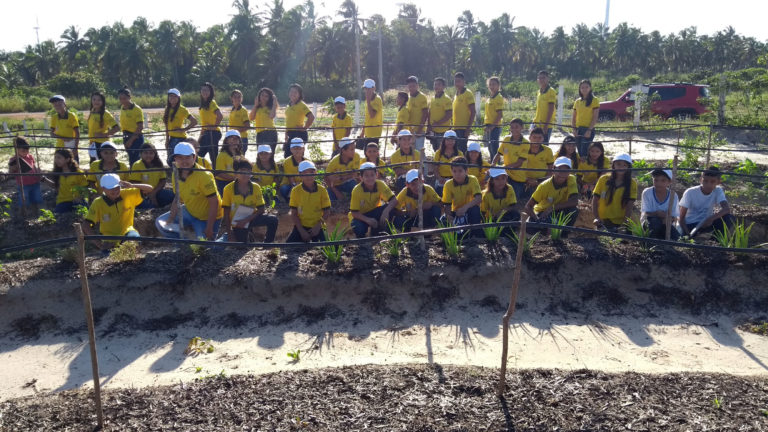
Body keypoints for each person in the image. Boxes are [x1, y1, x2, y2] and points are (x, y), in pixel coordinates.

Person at [155, 142, 223, 240]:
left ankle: (218, 238)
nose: (184, 161)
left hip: (206, 217)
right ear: (175, 159)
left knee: (204, 244)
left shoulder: (204, 175)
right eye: (180, 158)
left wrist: (209, 227)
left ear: (194, 158)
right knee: (160, 223)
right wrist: (170, 219)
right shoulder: (175, 174)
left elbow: (214, 202)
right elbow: (177, 198)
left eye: (187, 157)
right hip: (190, 210)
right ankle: (183, 242)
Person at [83, 174, 151, 255]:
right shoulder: (98, 203)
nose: (115, 190)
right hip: (109, 240)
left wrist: (132, 185)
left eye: (117, 187)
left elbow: (149, 188)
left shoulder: (127, 193)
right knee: (110, 258)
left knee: (134, 241)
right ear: (103, 188)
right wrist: (100, 245)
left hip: (127, 232)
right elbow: (86, 225)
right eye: (111, 188)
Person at [221, 157, 278, 243]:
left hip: (251, 218)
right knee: (242, 246)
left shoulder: (256, 187)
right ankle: (243, 236)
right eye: (243, 171)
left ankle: (267, 245)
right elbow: (226, 213)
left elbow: (261, 209)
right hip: (238, 222)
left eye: (248, 171)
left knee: (273, 220)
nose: (246, 174)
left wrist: (246, 220)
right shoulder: (228, 189)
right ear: (235, 173)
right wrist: (230, 234)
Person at [524, 157, 579, 235]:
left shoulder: (571, 179)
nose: (563, 173)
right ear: (553, 169)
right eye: (560, 170)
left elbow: (574, 201)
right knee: (530, 227)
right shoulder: (544, 186)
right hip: (543, 212)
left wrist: (552, 208)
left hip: (559, 209)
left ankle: (564, 234)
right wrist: (537, 219)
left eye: (566, 171)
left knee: (573, 211)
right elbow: (528, 206)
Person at [678, 166, 734, 238]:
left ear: (718, 182)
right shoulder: (690, 192)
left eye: (712, 182)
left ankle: (715, 241)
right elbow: (681, 218)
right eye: (705, 181)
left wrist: (710, 219)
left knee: (728, 218)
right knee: (685, 237)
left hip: (706, 223)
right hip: (690, 224)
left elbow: (726, 209)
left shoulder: (718, 190)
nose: (708, 185)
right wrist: (687, 234)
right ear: (701, 180)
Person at [349, 162, 397, 238]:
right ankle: (363, 240)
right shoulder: (356, 190)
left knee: (390, 209)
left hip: (375, 211)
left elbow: (393, 200)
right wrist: (368, 220)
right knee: (358, 227)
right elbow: (354, 212)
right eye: (366, 176)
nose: (370, 178)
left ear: (376, 175)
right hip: (361, 216)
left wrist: (386, 211)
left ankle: (378, 232)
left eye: (372, 175)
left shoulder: (380, 184)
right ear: (361, 177)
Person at [287, 160, 331, 243]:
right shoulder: (295, 190)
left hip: (318, 226)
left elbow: (327, 212)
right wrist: (301, 231)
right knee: (288, 247)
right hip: (301, 226)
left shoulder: (322, 190)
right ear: (300, 175)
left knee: (328, 247)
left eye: (311, 172)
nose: (309, 176)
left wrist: (318, 227)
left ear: (315, 173)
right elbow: (294, 213)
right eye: (305, 173)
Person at [592, 153, 637, 231]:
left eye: (624, 165)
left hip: (621, 222)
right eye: (618, 164)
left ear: (628, 167)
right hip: (603, 220)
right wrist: (596, 217)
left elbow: (629, 205)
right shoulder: (603, 179)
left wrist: (625, 223)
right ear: (614, 165)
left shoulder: (632, 183)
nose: (621, 167)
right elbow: (595, 199)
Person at [492, 118, 530, 203]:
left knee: (513, 199)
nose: (514, 129)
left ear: (522, 128)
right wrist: (493, 164)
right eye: (512, 127)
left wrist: (503, 168)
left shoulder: (526, 143)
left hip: (518, 177)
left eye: (516, 127)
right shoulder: (506, 139)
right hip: (506, 173)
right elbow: (498, 154)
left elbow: (519, 163)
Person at [130, 143, 175, 210]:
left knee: (172, 196)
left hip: (157, 191)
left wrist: (153, 193)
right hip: (142, 194)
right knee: (148, 207)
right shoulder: (137, 165)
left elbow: (163, 180)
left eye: (151, 153)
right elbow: (134, 183)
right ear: (141, 154)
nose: (148, 155)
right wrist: (148, 194)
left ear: (155, 154)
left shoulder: (159, 164)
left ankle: (158, 205)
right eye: (146, 153)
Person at [440, 156, 482, 227]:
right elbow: (447, 204)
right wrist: (449, 216)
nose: (457, 174)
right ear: (451, 171)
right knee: (443, 219)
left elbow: (478, 198)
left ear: (466, 171)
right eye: (454, 171)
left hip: (469, 210)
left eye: (460, 171)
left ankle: (475, 232)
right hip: (456, 212)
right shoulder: (448, 184)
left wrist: (465, 208)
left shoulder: (473, 179)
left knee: (475, 209)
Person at [641, 168, 679, 239]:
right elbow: (646, 213)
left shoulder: (673, 195)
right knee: (655, 222)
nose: (659, 183)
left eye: (663, 180)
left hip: (666, 223)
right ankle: (650, 242)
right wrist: (657, 214)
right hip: (649, 223)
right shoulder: (647, 192)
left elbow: (674, 216)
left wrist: (667, 218)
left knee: (677, 237)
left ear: (669, 182)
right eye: (656, 180)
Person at [8, 137, 43, 214]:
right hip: (23, 184)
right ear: (16, 149)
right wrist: (13, 168)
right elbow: (10, 173)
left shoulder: (30, 157)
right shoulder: (14, 160)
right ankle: (22, 213)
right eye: (23, 151)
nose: (26, 152)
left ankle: (35, 213)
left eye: (27, 150)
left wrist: (38, 173)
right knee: (24, 199)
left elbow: (34, 167)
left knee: (36, 198)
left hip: (35, 182)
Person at [47, 148, 88, 214]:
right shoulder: (57, 173)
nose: (56, 160)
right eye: (55, 157)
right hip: (63, 201)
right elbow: (57, 187)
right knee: (57, 216)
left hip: (77, 200)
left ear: (67, 159)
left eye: (59, 158)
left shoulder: (78, 173)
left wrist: (80, 197)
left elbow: (85, 188)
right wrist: (43, 179)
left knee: (84, 214)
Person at [163, 88, 198, 165]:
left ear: (178, 98)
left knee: (174, 160)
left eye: (175, 96)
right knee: (171, 161)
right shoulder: (167, 109)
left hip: (180, 138)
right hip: (171, 138)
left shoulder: (182, 109)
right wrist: (167, 140)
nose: (172, 98)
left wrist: (183, 129)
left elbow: (194, 121)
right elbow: (167, 126)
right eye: (171, 96)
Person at [481, 168, 519, 235]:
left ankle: (509, 234)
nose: (500, 181)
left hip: (505, 216)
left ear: (506, 179)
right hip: (492, 219)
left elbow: (513, 205)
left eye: (503, 178)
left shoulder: (509, 188)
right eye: (497, 179)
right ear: (492, 180)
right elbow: (482, 213)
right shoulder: (486, 194)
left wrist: (502, 212)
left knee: (515, 214)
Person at [282, 83, 314, 158]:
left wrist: (305, 128)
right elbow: (288, 121)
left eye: (295, 92)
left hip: (298, 133)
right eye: (291, 91)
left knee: (296, 156)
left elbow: (311, 117)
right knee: (288, 156)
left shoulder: (301, 105)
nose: (292, 94)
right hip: (290, 133)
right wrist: (286, 135)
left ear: (299, 94)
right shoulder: (289, 105)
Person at [326, 137, 361, 202]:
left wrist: (340, 178)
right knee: (331, 199)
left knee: (355, 187)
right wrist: (336, 191)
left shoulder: (356, 156)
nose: (354, 152)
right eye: (351, 149)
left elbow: (355, 174)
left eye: (354, 149)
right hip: (336, 185)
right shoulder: (334, 162)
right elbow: (327, 179)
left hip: (349, 182)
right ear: (343, 151)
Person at [87, 91, 119, 162]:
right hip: (92, 144)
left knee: (102, 164)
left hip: (102, 144)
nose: (96, 102)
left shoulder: (106, 113)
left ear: (102, 101)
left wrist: (103, 135)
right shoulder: (92, 111)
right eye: (94, 99)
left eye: (99, 100)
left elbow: (116, 128)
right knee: (93, 165)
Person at [572, 79, 600, 157]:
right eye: (582, 87)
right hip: (578, 129)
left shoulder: (595, 100)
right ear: (579, 89)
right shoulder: (577, 101)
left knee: (584, 151)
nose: (584, 89)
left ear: (590, 88)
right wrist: (574, 129)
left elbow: (595, 117)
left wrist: (589, 130)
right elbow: (574, 117)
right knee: (579, 152)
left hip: (588, 129)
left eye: (586, 87)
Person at [118, 87, 145, 166]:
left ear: (130, 97)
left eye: (124, 98)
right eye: (120, 99)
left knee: (136, 160)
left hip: (135, 137)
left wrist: (131, 140)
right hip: (126, 135)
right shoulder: (122, 108)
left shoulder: (137, 109)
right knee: (131, 158)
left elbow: (140, 127)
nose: (122, 101)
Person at [524, 128, 555, 195]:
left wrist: (539, 181)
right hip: (524, 180)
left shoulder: (548, 150)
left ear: (543, 139)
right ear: (529, 138)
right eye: (534, 137)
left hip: (542, 181)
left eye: (539, 138)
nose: (537, 140)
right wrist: (527, 179)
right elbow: (517, 169)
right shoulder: (523, 149)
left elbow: (551, 170)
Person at [197, 82, 223, 164]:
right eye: (203, 90)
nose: (205, 92)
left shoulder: (212, 103)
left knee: (213, 157)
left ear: (210, 92)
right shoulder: (202, 104)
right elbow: (203, 123)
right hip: (205, 133)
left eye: (207, 90)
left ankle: (216, 170)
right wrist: (200, 137)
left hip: (213, 133)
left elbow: (220, 116)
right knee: (198, 154)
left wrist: (214, 127)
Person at [49, 95, 80, 161]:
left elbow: (77, 133)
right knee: (59, 165)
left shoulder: (71, 116)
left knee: (72, 164)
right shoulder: (54, 117)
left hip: (71, 145)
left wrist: (76, 148)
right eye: (55, 105)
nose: (57, 106)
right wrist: (63, 138)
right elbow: (51, 133)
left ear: (64, 104)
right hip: (59, 146)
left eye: (59, 104)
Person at [432, 130, 463, 196]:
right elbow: (435, 169)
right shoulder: (438, 153)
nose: (450, 142)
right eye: (448, 140)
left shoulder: (460, 154)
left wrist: (456, 179)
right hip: (441, 180)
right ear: (444, 141)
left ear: (455, 141)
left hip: (455, 180)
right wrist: (439, 178)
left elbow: (462, 170)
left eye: (452, 140)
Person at [250, 87, 279, 153]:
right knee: (260, 154)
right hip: (259, 133)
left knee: (269, 154)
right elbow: (251, 118)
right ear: (259, 96)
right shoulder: (257, 107)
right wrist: (255, 105)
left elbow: (272, 116)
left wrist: (274, 104)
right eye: (262, 95)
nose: (264, 97)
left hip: (270, 132)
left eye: (266, 96)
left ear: (269, 98)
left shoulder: (271, 107)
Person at [452, 72, 475, 153]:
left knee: (462, 149)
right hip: (456, 127)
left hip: (463, 128)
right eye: (455, 81)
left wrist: (468, 128)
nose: (457, 84)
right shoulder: (456, 94)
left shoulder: (468, 93)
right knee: (456, 150)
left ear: (464, 82)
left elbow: (473, 112)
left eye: (459, 81)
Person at [427, 77, 453, 151]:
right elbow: (430, 112)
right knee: (435, 149)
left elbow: (449, 114)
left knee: (443, 150)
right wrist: (429, 125)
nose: (436, 86)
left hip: (443, 131)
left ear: (443, 86)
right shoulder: (432, 98)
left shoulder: (446, 99)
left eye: (439, 84)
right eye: (435, 84)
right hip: (433, 130)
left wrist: (438, 123)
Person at [215, 130, 243, 194]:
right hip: (223, 183)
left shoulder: (240, 154)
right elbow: (219, 173)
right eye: (232, 138)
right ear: (226, 141)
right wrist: (234, 178)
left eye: (237, 138)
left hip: (236, 182)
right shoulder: (222, 155)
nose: (235, 140)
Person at [279, 138, 307, 202]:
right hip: (290, 184)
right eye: (294, 148)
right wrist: (296, 185)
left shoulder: (307, 161)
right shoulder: (287, 161)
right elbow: (291, 180)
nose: (297, 150)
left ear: (303, 149)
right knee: (284, 189)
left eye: (299, 148)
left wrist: (302, 184)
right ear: (291, 149)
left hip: (303, 183)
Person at [406, 76, 429, 151]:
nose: (411, 88)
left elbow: (425, 113)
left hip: (419, 130)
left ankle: (422, 160)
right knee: (410, 150)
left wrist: (420, 129)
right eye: (410, 86)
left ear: (417, 86)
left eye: (413, 86)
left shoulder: (422, 97)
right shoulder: (408, 97)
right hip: (410, 130)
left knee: (419, 150)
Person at [359, 79, 383, 149]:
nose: (367, 91)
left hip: (374, 131)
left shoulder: (377, 99)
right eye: (366, 89)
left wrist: (368, 101)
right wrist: (363, 132)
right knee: (367, 152)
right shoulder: (368, 100)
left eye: (369, 89)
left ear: (374, 88)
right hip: (368, 131)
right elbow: (367, 118)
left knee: (372, 152)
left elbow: (372, 115)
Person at [484, 76, 504, 159]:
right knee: (490, 147)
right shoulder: (490, 97)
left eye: (494, 84)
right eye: (490, 84)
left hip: (495, 126)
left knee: (494, 147)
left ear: (498, 85)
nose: (492, 86)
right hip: (488, 125)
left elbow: (500, 114)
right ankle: (492, 162)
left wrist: (493, 126)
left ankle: (496, 163)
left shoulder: (498, 97)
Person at [533, 70, 557, 143]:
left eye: (543, 78)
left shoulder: (551, 91)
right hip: (537, 123)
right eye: (539, 78)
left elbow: (551, 109)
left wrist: (546, 124)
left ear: (548, 79)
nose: (541, 80)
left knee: (543, 146)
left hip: (546, 124)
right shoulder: (538, 91)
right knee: (535, 144)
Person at [229, 89, 251, 154]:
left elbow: (247, 126)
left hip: (241, 138)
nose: (237, 99)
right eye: (235, 97)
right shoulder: (232, 110)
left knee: (240, 158)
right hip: (232, 139)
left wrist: (235, 132)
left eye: (239, 97)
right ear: (231, 98)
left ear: (242, 98)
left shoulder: (243, 110)